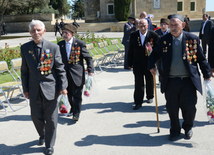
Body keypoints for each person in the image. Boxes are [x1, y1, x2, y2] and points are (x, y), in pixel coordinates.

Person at [148, 14, 211, 141]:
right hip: (171, 81)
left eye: (175, 24)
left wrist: (207, 75)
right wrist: (151, 65)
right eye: (171, 25)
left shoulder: (192, 39)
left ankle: (188, 128)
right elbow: (154, 54)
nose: (173, 27)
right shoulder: (164, 40)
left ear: (182, 25)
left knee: (189, 107)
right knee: (172, 108)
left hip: (188, 81)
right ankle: (175, 130)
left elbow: (201, 59)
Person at [21, 20, 68, 155]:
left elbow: (60, 69)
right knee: (35, 117)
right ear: (30, 32)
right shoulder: (25, 48)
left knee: (52, 119)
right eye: (33, 30)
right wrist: (25, 89)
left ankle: (49, 145)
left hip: (51, 89)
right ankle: (43, 134)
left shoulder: (53, 47)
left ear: (44, 31)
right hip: (34, 89)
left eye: (38, 30)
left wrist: (63, 86)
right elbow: (24, 71)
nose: (36, 33)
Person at [58, 23, 94, 121]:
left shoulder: (80, 44)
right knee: (69, 94)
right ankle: (73, 109)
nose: (64, 34)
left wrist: (90, 70)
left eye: (66, 33)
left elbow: (88, 58)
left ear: (73, 34)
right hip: (65, 74)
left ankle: (76, 113)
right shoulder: (60, 45)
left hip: (77, 74)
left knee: (77, 95)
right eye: (63, 32)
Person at [128, 18, 159, 110]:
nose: (142, 27)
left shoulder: (153, 35)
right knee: (138, 83)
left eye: (144, 25)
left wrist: (156, 63)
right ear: (138, 26)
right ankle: (138, 101)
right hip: (137, 63)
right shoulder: (133, 35)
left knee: (149, 80)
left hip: (149, 63)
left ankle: (150, 96)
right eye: (140, 25)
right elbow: (130, 50)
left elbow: (157, 50)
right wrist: (129, 63)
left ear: (148, 26)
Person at [154, 18, 170, 84]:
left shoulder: (171, 32)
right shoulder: (156, 33)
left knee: (167, 67)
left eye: (165, 24)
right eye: (162, 24)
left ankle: (168, 80)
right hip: (159, 54)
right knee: (159, 68)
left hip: (168, 54)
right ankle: (161, 80)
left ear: (168, 25)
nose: (163, 26)